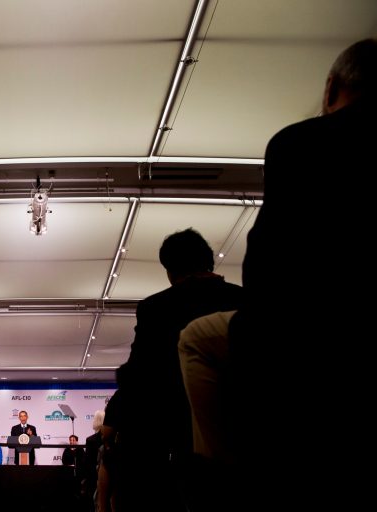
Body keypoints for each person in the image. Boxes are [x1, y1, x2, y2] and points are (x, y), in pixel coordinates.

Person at [179, 38, 377, 512]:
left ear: (331, 87)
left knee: (195, 339)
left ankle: (225, 471)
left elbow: (270, 257)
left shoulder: (300, 142)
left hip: (300, 331)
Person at [102, 228, 243, 512]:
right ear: (209, 261)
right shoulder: (243, 301)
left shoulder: (156, 308)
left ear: (169, 269)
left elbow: (139, 375)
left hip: (178, 440)